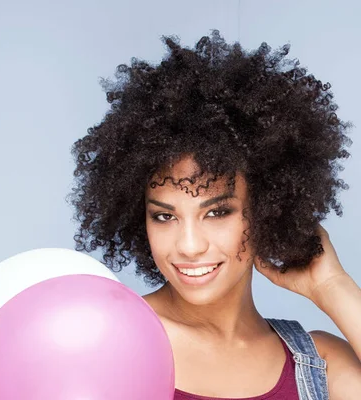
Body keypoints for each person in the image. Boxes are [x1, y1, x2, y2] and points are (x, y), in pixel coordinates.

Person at [70, 30, 361, 399]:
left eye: (218, 212)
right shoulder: (104, 341)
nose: (189, 246)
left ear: (269, 210)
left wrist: (333, 288)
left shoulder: (318, 365)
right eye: (164, 216)